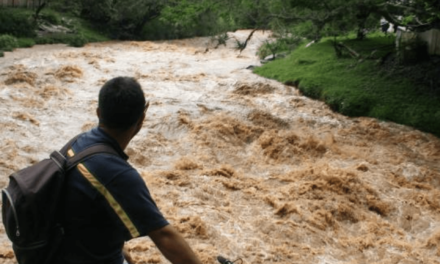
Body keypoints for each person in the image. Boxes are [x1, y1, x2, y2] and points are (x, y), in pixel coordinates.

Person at [53, 77, 203, 264]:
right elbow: (164, 236)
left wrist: (121, 252)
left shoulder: (78, 143)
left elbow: (87, 204)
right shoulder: (117, 174)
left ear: (99, 113)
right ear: (141, 119)